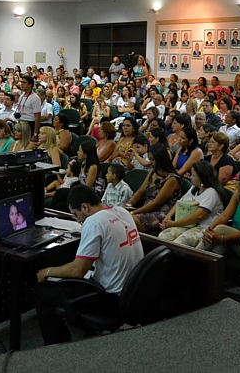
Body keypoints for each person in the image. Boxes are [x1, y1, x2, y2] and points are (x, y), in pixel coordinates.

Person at [34, 184, 143, 345]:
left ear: (85, 207)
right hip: (133, 292)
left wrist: (47, 271)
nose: (77, 220)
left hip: (110, 299)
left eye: (76, 214)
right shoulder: (122, 212)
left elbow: (78, 270)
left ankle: (57, 347)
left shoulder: (93, 222)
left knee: (41, 292)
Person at [157, 161, 226, 245]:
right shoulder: (194, 187)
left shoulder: (211, 192)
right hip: (188, 224)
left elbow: (198, 216)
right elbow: (180, 203)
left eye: (194, 176)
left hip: (204, 227)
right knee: (163, 236)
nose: (190, 177)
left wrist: (174, 224)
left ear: (202, 178)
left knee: (180, 242)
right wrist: (167, 218)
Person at [128, 144, 182, 233]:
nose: (150, 162)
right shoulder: (153, 171)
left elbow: (156, 204)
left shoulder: (172, 179)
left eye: (153, 160)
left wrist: (134, 212)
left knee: (126, 220)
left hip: (160, 214)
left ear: (161, 160)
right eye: (150, 159)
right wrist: (129, 204)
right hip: (145, 209)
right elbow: (141, 191)